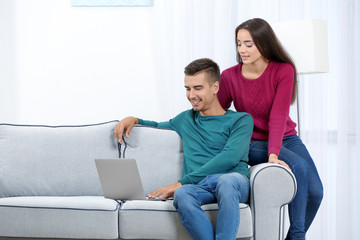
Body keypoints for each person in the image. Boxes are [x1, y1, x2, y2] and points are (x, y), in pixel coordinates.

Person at [114, 58, 254, 240]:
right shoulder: (185, 119)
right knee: (182, 194)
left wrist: (181, 181)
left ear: (215, 87)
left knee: (224, 182)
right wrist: (133, 119)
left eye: (198, 88)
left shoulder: (241, 120)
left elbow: (230, 157)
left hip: (233, 183)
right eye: (188, 89)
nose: (191, 95)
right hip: (200, 187)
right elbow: (155, 126)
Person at [217, 18, 323, 240]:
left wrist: (274, 153)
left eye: (249, 44)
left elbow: (278, 116)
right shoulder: (229, 76)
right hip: (253, 142)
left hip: (286, 138)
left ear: (264, 44)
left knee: (315, 193)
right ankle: (298, 236)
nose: (242, 50)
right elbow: (218, 111)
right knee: (299, 167)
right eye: (238, 43)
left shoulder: (283, 70)